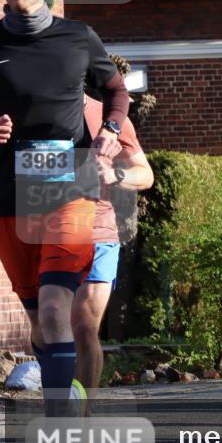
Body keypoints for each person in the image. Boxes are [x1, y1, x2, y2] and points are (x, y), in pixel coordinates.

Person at [0, 0, 127, 411]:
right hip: (9, 194)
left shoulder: (77, 37)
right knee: (37, 320)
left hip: (72, 187)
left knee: (54, 309)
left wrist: (109, 130)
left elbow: (116, 90)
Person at [72, 96, 154, 400]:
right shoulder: (31, 110)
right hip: (49, 236)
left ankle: (80, 414)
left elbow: (144, 173)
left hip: (99, 234)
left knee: (83, 326)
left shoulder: (108, 116)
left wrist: (117, 175)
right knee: (51, 330)